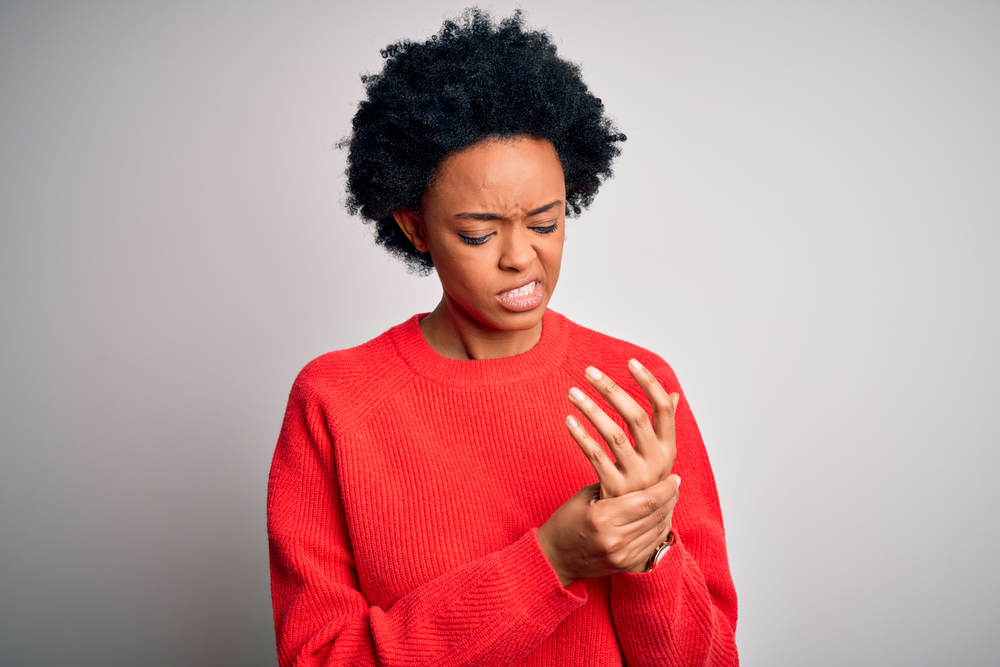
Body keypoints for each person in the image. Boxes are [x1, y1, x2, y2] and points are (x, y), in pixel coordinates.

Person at [267, 9, 738, 666]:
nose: (521, 258)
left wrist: (649, 549)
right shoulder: (336, 403)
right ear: (415, 227)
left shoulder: (639, 392)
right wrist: (551, 560)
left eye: (545, 222)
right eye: (479, 234)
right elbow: (322, 657)